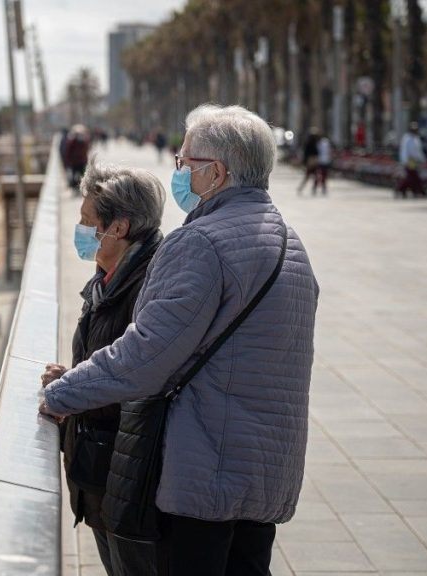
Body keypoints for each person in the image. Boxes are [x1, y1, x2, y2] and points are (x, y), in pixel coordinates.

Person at [40, 104, 319, 576]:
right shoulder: (290, 244)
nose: (179, 172)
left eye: (185, 162)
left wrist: (62, 393)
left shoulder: (201, 242)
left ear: (217, 173)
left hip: (204, 475)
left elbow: (145, 355)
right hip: (266, 474)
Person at [40, 159, 165, 575]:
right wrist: (73, 380)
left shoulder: (148, 286)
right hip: (100, 474)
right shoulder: (107, 280)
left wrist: (74, 391)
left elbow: (137, 377)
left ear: (119, 227)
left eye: (87, 221)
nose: (80, 229)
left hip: (127, 480)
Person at [397, 122, 427, 198]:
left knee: (413, 177)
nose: (415, 131)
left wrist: (423, 159)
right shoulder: (408, 139)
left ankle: (412, 190)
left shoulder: (415, 139)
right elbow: (410, 151)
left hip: (414, 161)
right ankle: (404, 189)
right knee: (412, 176)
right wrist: (406, 161)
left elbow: (418, 151)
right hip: (409, 161)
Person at [66, 125, 92, 191]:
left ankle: (82, 185)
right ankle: (75, 185)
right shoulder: (73, 141)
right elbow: (69, 151)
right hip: (75, 161)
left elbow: (86, 150)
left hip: (81, 161)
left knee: (82, 174)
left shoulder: (84, 141)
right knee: (75, 174)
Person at [297, 128, 321, 195]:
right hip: (311, 162)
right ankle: (302, 188)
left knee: (314, 177)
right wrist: (306, 162)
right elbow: (307, 154)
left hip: (313, 162)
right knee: (309, 177)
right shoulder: (309, 144)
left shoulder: (315, 143)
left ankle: (313, 189)